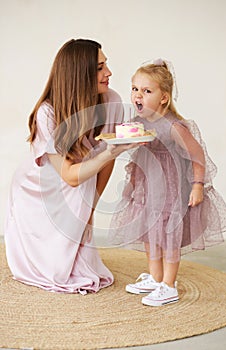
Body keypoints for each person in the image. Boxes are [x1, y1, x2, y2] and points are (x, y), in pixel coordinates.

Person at [4, 38, 137, 294]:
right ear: (79, 73)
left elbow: (105, 165)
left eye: (105, 65)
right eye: (99, 67)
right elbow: (69, 176)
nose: (108, 73)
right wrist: (107, 153)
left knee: (81, 262)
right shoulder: (48, 113)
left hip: (79, 182)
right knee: (52, 269)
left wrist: (92, 206)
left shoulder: (111, 102)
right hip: (38, 189)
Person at [109, 58, 226, 306]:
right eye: (135, 89)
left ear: (163, 98)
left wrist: (198, 185)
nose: (137, 96)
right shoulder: (140, 123)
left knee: (167, 236)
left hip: (169, 191)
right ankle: (155, 277)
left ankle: (169, 284)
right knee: (148, 233)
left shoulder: (173, 127)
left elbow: (198, 156)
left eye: (146, 91)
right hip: (147, 189)